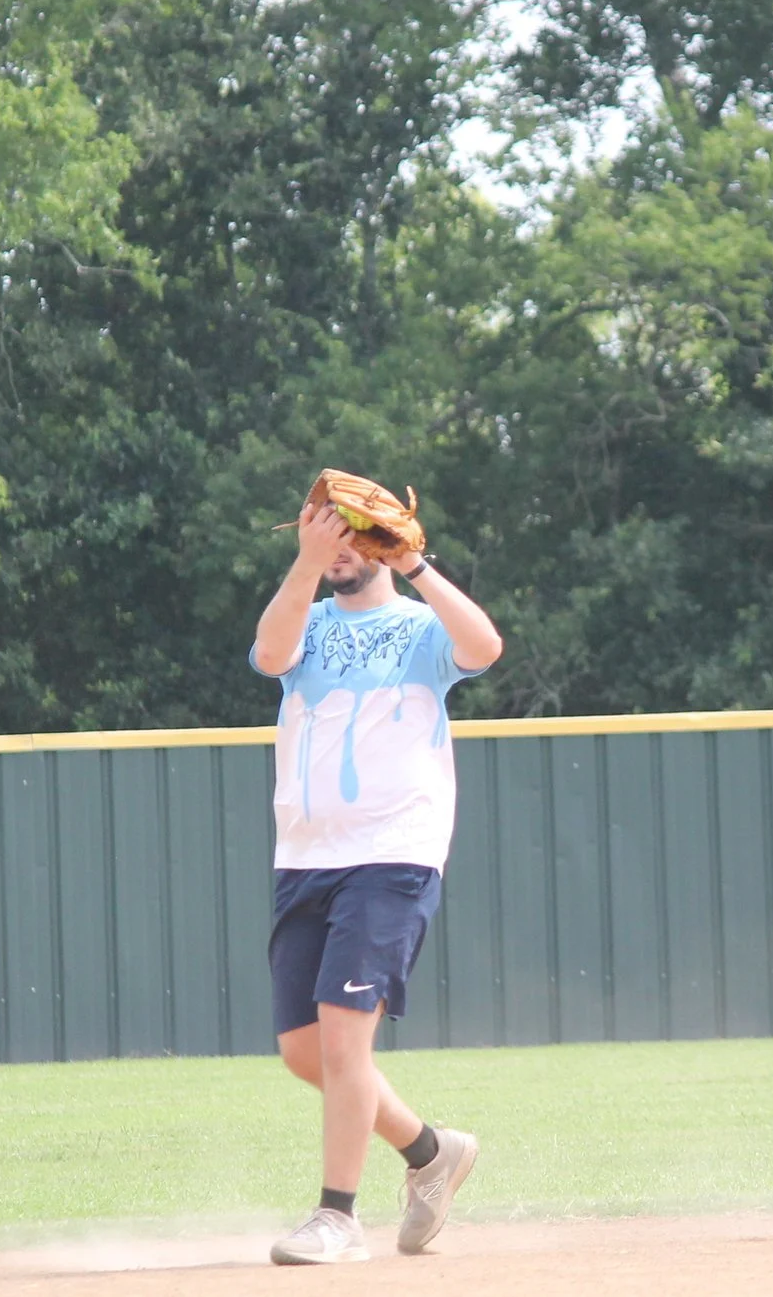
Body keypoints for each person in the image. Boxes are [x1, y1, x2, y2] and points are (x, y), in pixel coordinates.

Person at [249, 492, 505, 1265]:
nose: (336, 547)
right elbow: (268, 654)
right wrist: (304, 558)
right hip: (305, 856)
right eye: (320, 531)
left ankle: (336, 1215)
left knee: (341, 1039)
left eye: (350, 533)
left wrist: (415, 564)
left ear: (381, 540)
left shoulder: (423, 629)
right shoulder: (307, 620)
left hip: (393, 852)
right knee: (305, 1050)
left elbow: (485, 646)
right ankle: (431, 1151)